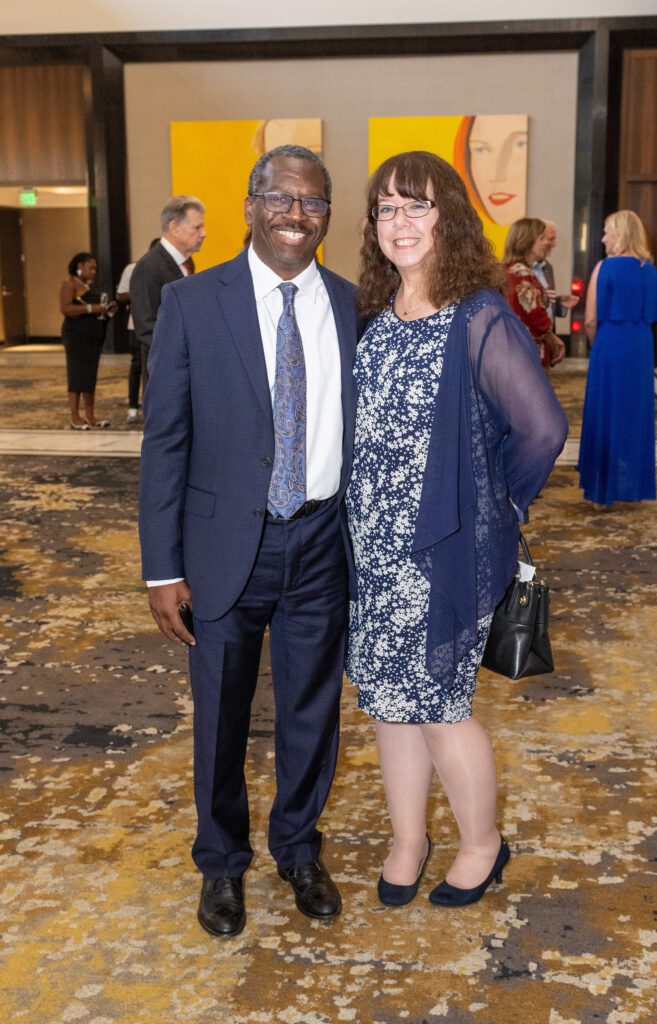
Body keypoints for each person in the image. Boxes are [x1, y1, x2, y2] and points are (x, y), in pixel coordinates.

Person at [138, 145, 361, 938]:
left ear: (327, 215)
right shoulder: (195, 304)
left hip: (321, 544)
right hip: (221, 550)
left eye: (313, 202)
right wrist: (161, 568)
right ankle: (221, 864)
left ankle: (298, 848)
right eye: (281, 199)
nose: (296, 215)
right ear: (250, 204)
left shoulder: (348, 301)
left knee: (311, 712)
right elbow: (165, 442)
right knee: (220, 718)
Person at [347, 151, 567, 910]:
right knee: (386, 699)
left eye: (417, 206)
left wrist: (498, 507)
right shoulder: (374, 317)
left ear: (449, 219)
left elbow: (539, 428)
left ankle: (481, 844)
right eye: (386, 208)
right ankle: (408, 839)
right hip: (371, 548)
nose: (399, 223)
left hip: (442, 551)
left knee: (440, 706)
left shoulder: (476, 316)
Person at [578, 210, 657, 510]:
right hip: (640, 346)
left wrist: (596, 345)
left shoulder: (604, 267)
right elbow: (653, 314)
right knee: (634, 415)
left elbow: (590, 319)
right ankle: (632, 485)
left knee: (605, 413)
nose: (602, 238)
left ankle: (602, 489)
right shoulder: (648, 268)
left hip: (610, 344)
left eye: (606, 232)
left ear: (621, 234)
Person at [130, 196, 206, 389]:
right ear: (174, 227)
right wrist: (187, 350)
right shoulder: (148, 266)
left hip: (187, 372)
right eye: (197, 228)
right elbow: (146, 327)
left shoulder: (187, 263)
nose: (204, 234)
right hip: (164, 375)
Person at [59, 252, 116, 429]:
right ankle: (74, 416)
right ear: (79, 266)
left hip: (92, 337)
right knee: (76, 374)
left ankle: (90, 414)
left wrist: (106, 311)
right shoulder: (69, 285)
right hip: (75, 336)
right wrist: (93, 308)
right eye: (90, 267)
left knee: (90, 375)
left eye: (95, 268)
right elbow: (66, 308)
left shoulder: (89, 286)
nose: (93, 272)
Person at [503, 218, 566, 367]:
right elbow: (533, 314)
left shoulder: (513, 269)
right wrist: (552, 338)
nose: (546, 243)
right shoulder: (521, 272)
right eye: (541, 238)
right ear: (527, 241)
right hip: (526, 350)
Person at [115, 239, 159, 423]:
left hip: (158, 326)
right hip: (136, 327)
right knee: (137, 366)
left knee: (154, 369)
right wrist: (141, 292)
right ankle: (133, 406)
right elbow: (120, 294)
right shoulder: (134, 268)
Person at [532, 219, 579, 328]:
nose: (554, 244)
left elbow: (544, 307)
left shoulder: (547, 267)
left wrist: (558, 303)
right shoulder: (517, 270)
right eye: (551, 239)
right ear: (538, 239)